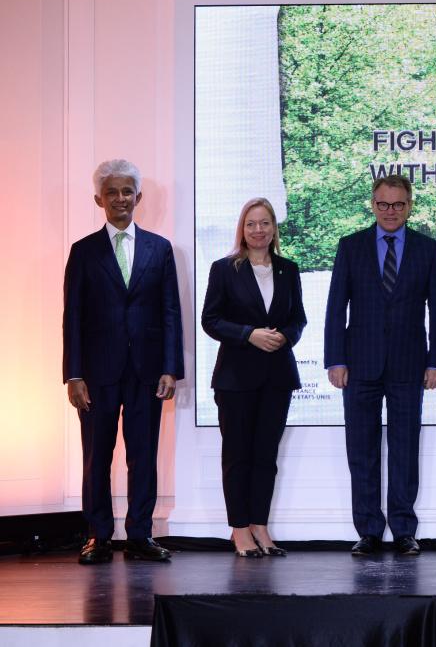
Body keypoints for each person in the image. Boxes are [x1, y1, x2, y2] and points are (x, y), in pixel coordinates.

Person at [63, 159, 183, 564]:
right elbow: (72, 316)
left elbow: (170, 311)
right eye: (112, 192)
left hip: (147, 372)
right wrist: (73, 374)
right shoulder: (82, 252)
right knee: (96, 455)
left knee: (143, 455)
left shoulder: (160, 248)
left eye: (127, 191)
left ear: (138, 197)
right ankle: (98, 535)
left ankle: (139, 536)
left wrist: (170, 367)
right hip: (96, 374)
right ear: (99, 198)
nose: (120, 198)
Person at [325, 175, 436, 557]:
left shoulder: (427, 249)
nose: (390, 211)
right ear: (372, 205)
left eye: (398, 205)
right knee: (362, 449)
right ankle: (369, 530)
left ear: (409, 205)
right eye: (383, 204)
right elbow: (335, 308)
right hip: (359, 364)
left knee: (405, 448)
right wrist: (335, 359)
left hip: (410, 364)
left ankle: (405, 529)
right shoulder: (351, 246)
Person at [201, 197, 307, 558]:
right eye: (251, 224)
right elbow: (210, 320)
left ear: (274, 228)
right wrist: (249, 334)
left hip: (277, 377)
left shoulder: (288, 269)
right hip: (235, 379)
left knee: (265, 456)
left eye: (264, 223)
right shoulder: (224, 269)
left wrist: (285, 337)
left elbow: (299, 319)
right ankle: (240, 530)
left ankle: (260, 526)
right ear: (242, 229)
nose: (258, 230)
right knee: (237, 455)